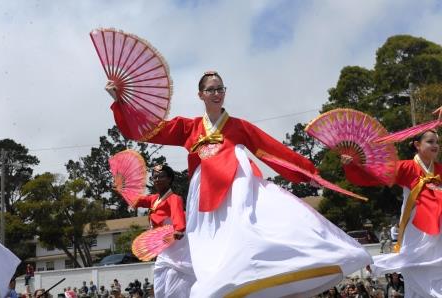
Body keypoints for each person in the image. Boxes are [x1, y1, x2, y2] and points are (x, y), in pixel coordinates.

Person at [107, 70, 372, 297]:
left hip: (237, 190)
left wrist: (312, 173)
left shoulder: (238, 126)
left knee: (247, 238)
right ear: (200, 94)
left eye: (220, 88)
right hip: (204, 200)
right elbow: (147, 129)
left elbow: (276, 151)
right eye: (210, 89)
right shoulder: (188, 128)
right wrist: (121, 103)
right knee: (212, 256)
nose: (216, 93)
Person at [342, 129, 442, 296]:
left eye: (437, 142)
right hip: (416, 228)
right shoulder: (406, 167)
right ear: (417, 145)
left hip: (438, 229)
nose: (435, 145)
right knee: (412, 264)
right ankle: (376, 263)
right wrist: (353, 165)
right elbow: (375, 173)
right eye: (430, 142)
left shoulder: (439, 169)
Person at [129, 164, 195, 298]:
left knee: (174, 283)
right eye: (155, 177)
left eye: (161, 176)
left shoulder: (174, 198)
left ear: (169, 179)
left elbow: (178, 215)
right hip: (163, 247)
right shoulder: (154, 199)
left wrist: (179, 229)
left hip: (177, 245)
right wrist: (123, 190)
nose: (157, 179)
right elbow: (138, 200)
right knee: (159, 287)